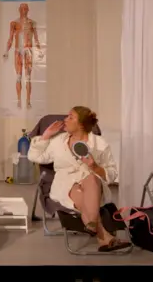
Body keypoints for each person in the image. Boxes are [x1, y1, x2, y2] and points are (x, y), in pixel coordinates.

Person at [27, 106, 131, 252]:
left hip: (93, 186)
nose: (65, 120)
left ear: (81, 124)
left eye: (71, 117)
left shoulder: (100, 144)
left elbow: (112, 173)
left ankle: (92, 225)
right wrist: (46, 135)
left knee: (92, 179)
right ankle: (101, 233)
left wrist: (94, 166)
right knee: (78, 191)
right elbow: (35, 157)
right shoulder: (59, 141)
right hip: (66, 184)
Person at [2, 3, 43, 109]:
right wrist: (6, 51)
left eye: (25, 8)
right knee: (18, 76)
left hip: (28, 50)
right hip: (18, 51)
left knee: (28, 77)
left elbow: (36, 38)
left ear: (28, 10)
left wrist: (40, 51)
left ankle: (28, 101)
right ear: (19, 10)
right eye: (22, 8)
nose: (24, 10)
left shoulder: (32, 23)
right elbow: (10, 38)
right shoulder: (14, 23)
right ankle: (19, 100)